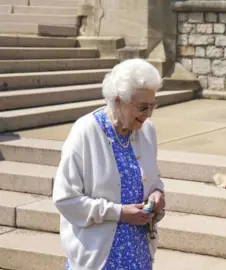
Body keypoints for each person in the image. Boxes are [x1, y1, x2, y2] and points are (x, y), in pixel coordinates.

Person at [52, 58, 166, 270]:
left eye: (152, 106)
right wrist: (118, 212)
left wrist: (157, 194)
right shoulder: (85, 131)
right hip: (98, 259)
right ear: (118, 100)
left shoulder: (147, 130)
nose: (148, 114)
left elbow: (154, 178)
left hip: (139, 254)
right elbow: (65, 199)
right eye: (142, 107)